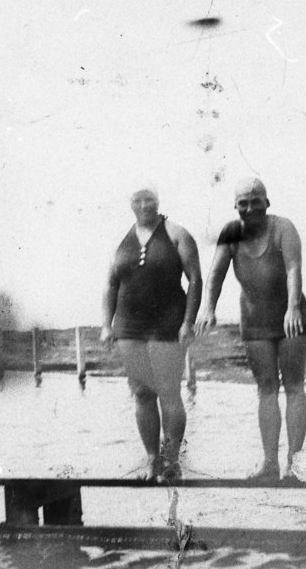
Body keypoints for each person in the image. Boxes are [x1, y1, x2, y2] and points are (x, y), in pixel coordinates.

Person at [195, 177, 306, 479]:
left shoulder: (283, 227)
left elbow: (293, 268)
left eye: (255, 200)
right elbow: (215, 275)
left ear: (267, 202)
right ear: (235, 206)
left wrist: (293, 307)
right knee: (266, 389)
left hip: (291, 316)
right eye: (243, 202)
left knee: (295, 385)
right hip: (255, 319)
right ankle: (270, 463)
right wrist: (208, 308)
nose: (249, 208)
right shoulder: (231, 232)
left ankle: (295, 464)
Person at [101, 185, 201, 481]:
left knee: (169, 393)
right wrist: (107, 325)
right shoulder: (123, 241)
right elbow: (110, 285)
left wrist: (188, 321)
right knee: (142, 394)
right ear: (130, 204)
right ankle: (151, 459)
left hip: (166, 325)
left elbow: (194, 279)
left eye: (149, 200)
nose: (144, 205)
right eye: (138, 200)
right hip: (130, 329)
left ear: (158, 201)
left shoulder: (176, 234)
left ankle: (171, 461)